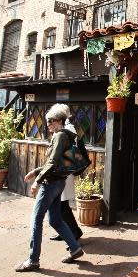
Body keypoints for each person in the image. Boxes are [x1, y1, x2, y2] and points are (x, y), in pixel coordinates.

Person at [15, 103, 84, 272]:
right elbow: (55, 161)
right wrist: (35, 171)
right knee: (55, 220)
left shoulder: (60, 135)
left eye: (51, 120)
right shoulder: (64, 135)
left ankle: (33, 260)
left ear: (59, 120)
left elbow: (52, 162)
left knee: (36, 219)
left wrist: (38, 181)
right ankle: (75, 249)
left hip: (51, 183)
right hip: (58, 182)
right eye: (47, 121)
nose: (48, 124)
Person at [50, 104, 83, 242]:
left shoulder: (68, 128)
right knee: (60, 202)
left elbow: (65, 150)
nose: (51, 123)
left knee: (61, 202)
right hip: (62, 169)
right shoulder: (68, 127)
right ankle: (66, 231)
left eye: (53, 119)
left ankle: (74, 232)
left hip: (64, 170)